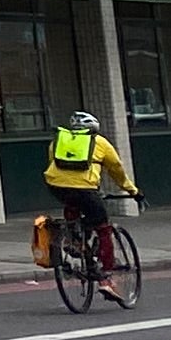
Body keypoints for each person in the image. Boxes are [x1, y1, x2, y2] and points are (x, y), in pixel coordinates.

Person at [41, 109, 133, 267]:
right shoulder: (100, 142)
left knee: (72, 204)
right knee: (103, 227)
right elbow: (116, 168)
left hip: (56, 186)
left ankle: (74, 240)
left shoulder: (58, 141)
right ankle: (107, 276)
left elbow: (52, 162)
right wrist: (132, 190)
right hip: (86, 189)